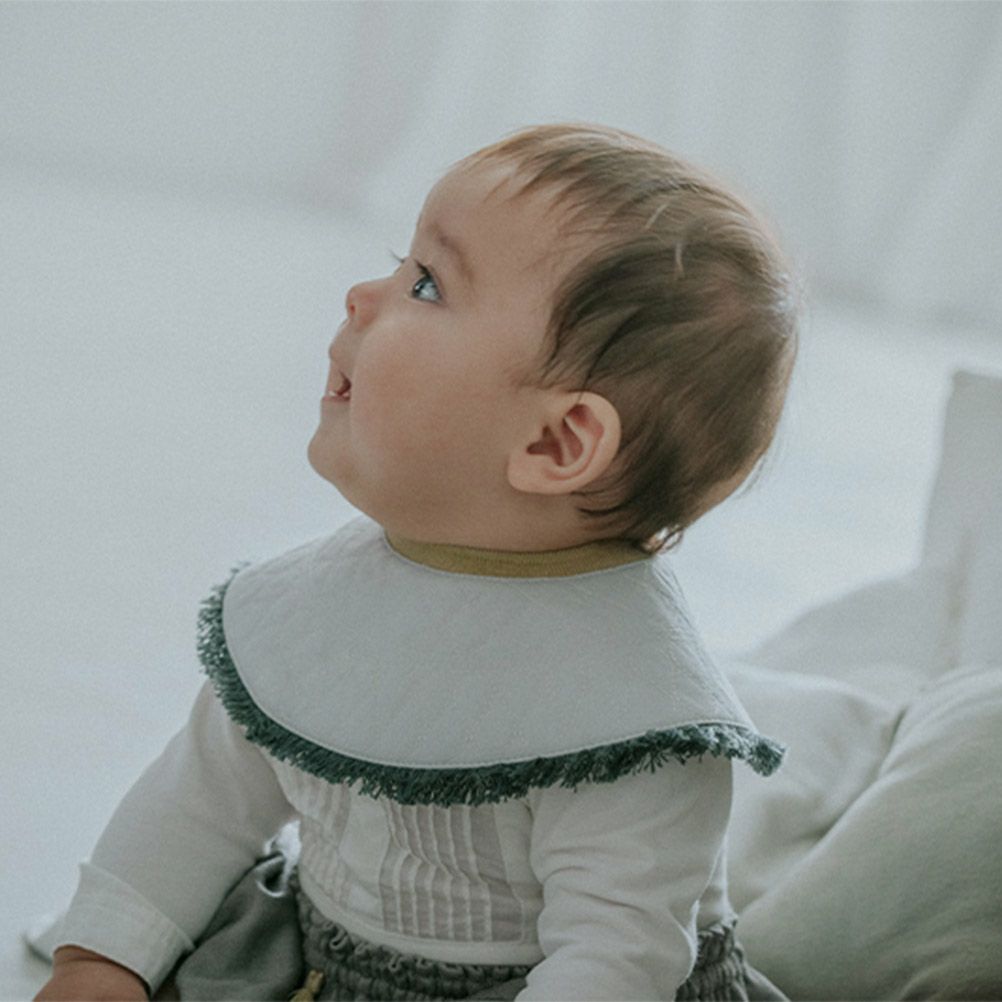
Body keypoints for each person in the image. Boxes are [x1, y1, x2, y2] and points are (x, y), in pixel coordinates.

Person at [35, 122, 798, 1002]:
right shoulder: (312, 608)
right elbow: (198, 803)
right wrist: (104, 958)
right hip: (319, 952)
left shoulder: (630, 720)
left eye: (427, 284)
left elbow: (616, 961)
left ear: (555, 442)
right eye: (400, 263)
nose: (362, 296)